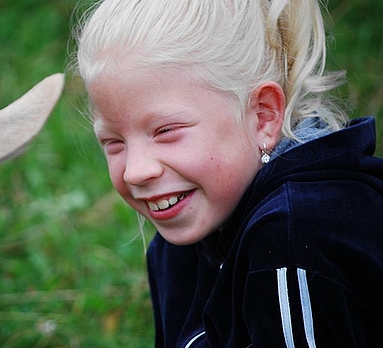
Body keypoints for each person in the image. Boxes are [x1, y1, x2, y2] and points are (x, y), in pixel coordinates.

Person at [72, 0, 383, 346]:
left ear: (263, 116)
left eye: (166, 131)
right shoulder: (183, 235)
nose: (135, 171)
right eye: (113, 142)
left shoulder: (294, 239)